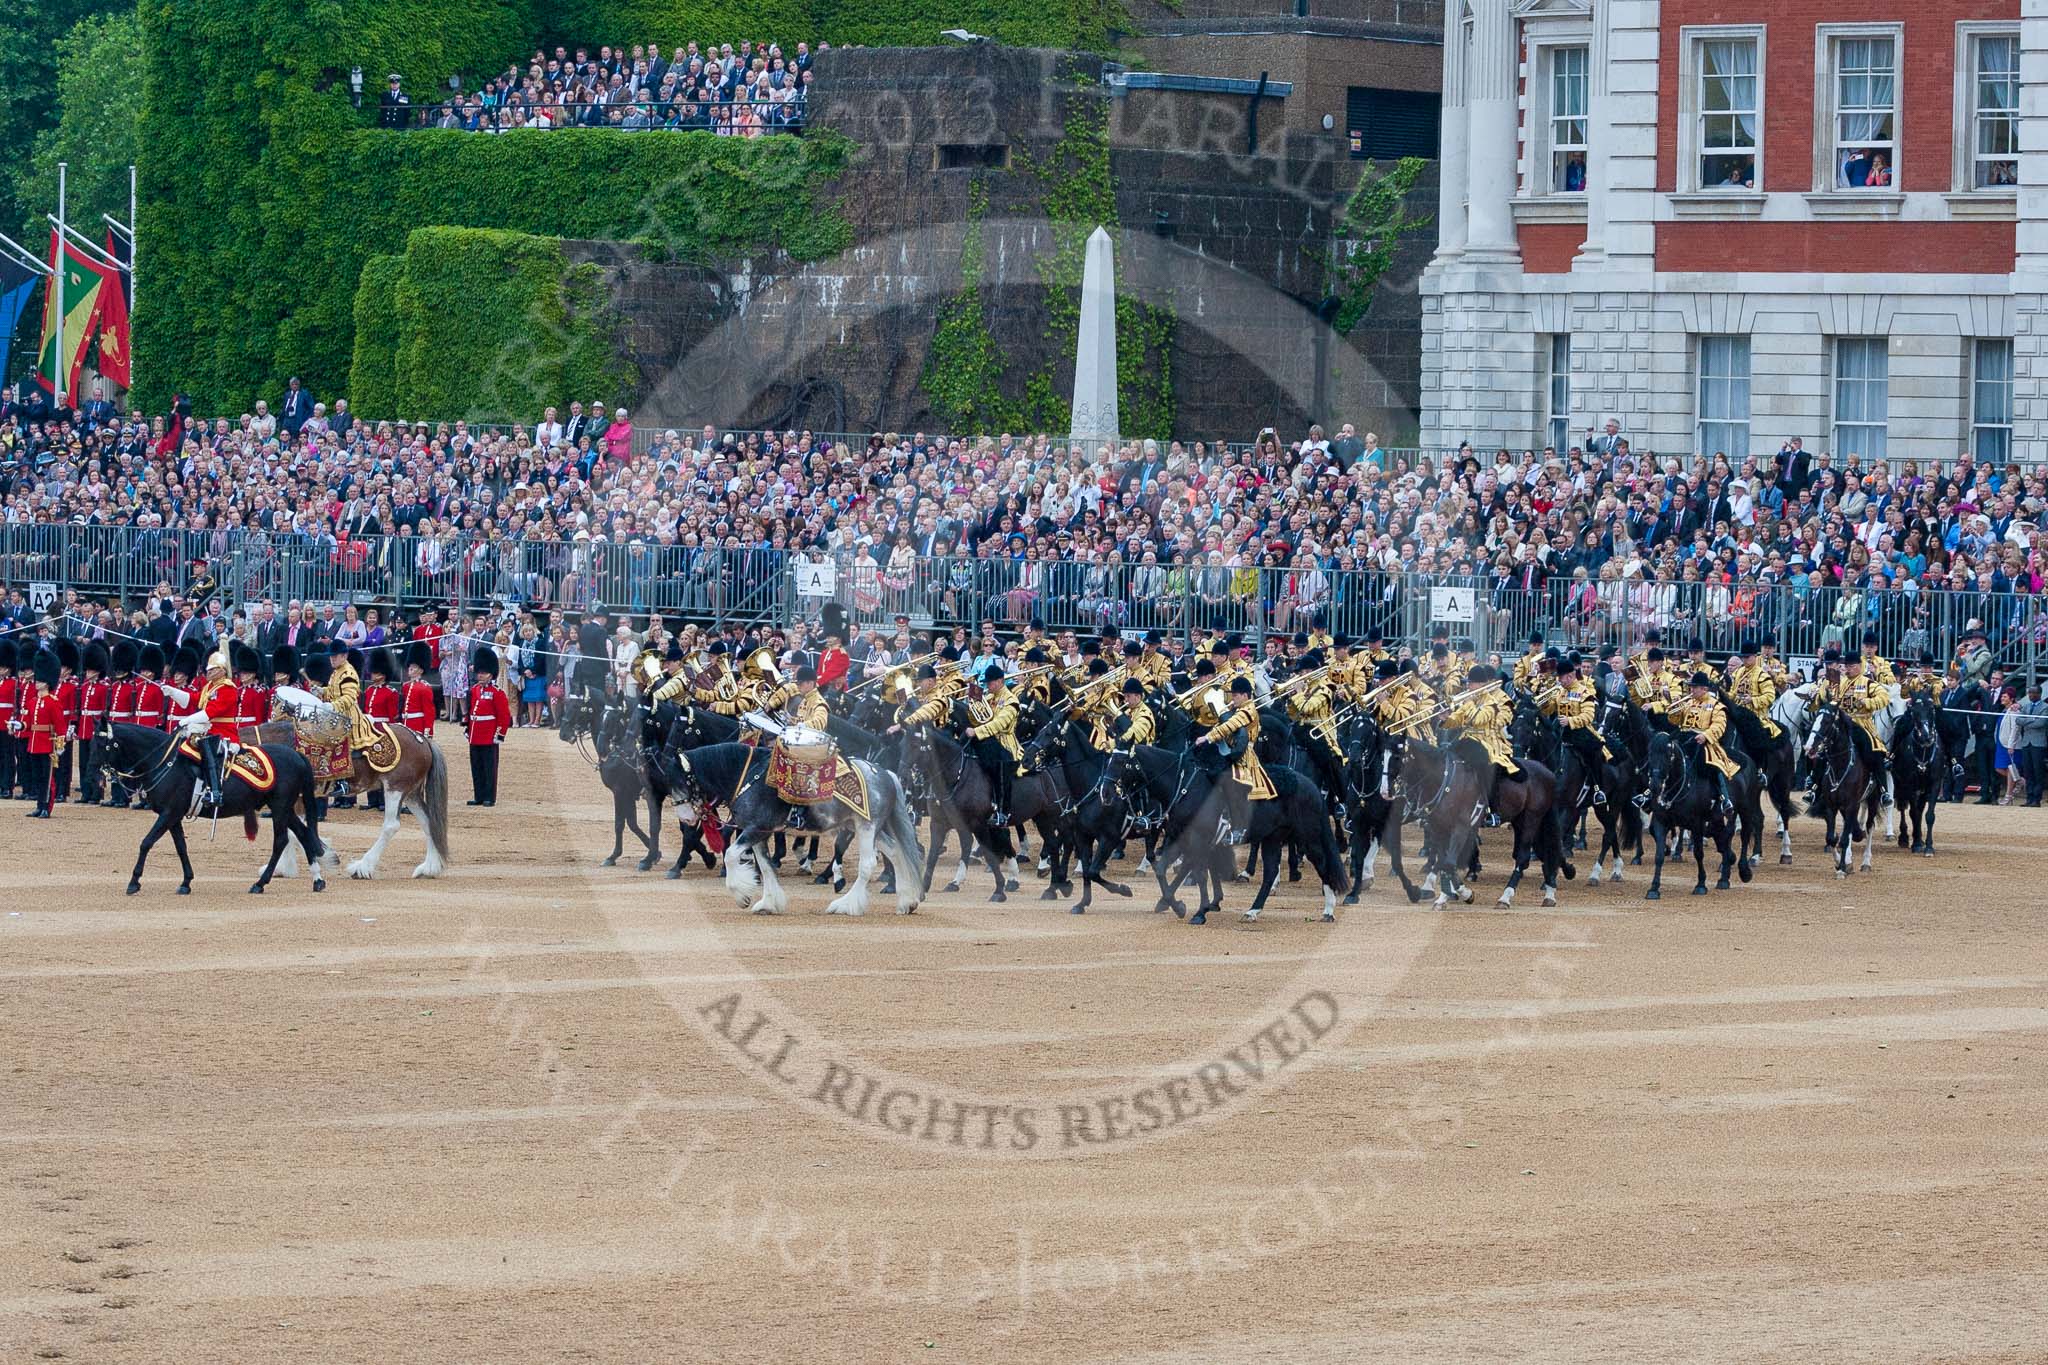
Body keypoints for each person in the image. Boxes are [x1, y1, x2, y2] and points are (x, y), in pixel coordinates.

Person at [1195, 675, 1274, 844]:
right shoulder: (1239, 708)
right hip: (1230, 749)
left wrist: (1208, 737)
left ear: (1245, 696)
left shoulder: (1248, 710)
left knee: (1233, 783)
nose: (1233, 698)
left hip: (1244, 756)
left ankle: (1238, 828)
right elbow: (1223, 723)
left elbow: (1231, 725)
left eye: (1236, 695)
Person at [1674, 671, 1739, 819]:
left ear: (1704, 689)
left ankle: (1724, 798)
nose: (1691, 690)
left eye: (1695, 687)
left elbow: (1720, 726)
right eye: (1691, 687)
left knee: (1713, 765)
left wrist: (1706, 735)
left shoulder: (1716, 705)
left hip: (1704, 743)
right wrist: (1674, 712)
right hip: (1684, 738)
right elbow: (1675, 721)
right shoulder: (1688, 703)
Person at [1447, 666, 1519, 795]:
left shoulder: (1492, 701)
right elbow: (1458, 719)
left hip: (1488, 740)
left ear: (1483, 683)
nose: (1468, 686)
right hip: (1467, 738)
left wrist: (1469, 704)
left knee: (1483, 765)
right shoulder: (1470, 698)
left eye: (1471, 683)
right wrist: (1445, 718)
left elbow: (1480, 720)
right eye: (1468, 683)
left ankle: (1489, 802)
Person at [966, 663, 1021, 826]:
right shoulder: (989, 697)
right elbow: (976, 718)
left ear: (1000, 681)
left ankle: (1002, 812)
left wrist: (977, 732)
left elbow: (999, 724)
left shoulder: (1011, 701)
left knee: (1000, 768)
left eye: (990, 683)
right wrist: (971, 704)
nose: (987, 686)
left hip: (1005, 743)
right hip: (988, 740)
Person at [466, 646, 512, 807]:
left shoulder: (497, 692)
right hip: (475, 734)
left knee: (489, 767)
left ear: (491, 675)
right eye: (479, 672)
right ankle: (478, 796)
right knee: (476, 767)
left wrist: (499, 734)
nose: (480, 675)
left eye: (483, 673)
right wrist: (467, 728)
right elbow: (470, 711)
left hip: (489, 734)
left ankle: (489, 797)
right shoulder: (474, 690)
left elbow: (504, 716)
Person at [20, 648, 62, 817]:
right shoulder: (32, 702)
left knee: (48, 778)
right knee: (38, 776)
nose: (36, 682)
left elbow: (60, 726)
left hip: (48, 743)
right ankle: (39, 805)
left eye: (40, 680)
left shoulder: (53, 702)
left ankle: (47, 807)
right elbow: (28, 724)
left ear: (47, 682)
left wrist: (59, 747)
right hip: (34, 743)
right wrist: (18, 725)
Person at [75, 642, 112, 806]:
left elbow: (104, 711)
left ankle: (97, 792)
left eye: (91, 671)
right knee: (83, 763)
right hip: (84, 728)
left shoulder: (104, 688)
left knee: (96, 763)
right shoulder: (83, 687)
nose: (88, 673)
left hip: (95, 729)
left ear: (98, 671)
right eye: (87, 670)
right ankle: (85, 792)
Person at [401, 644, 438, 737]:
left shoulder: (425, 687)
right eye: (410, 666)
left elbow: (429, 711)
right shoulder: (406, 686)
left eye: (414, 666)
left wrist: (428, 729)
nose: (410, 668)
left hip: (417, 725)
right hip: (405, 723)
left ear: (421, 670)